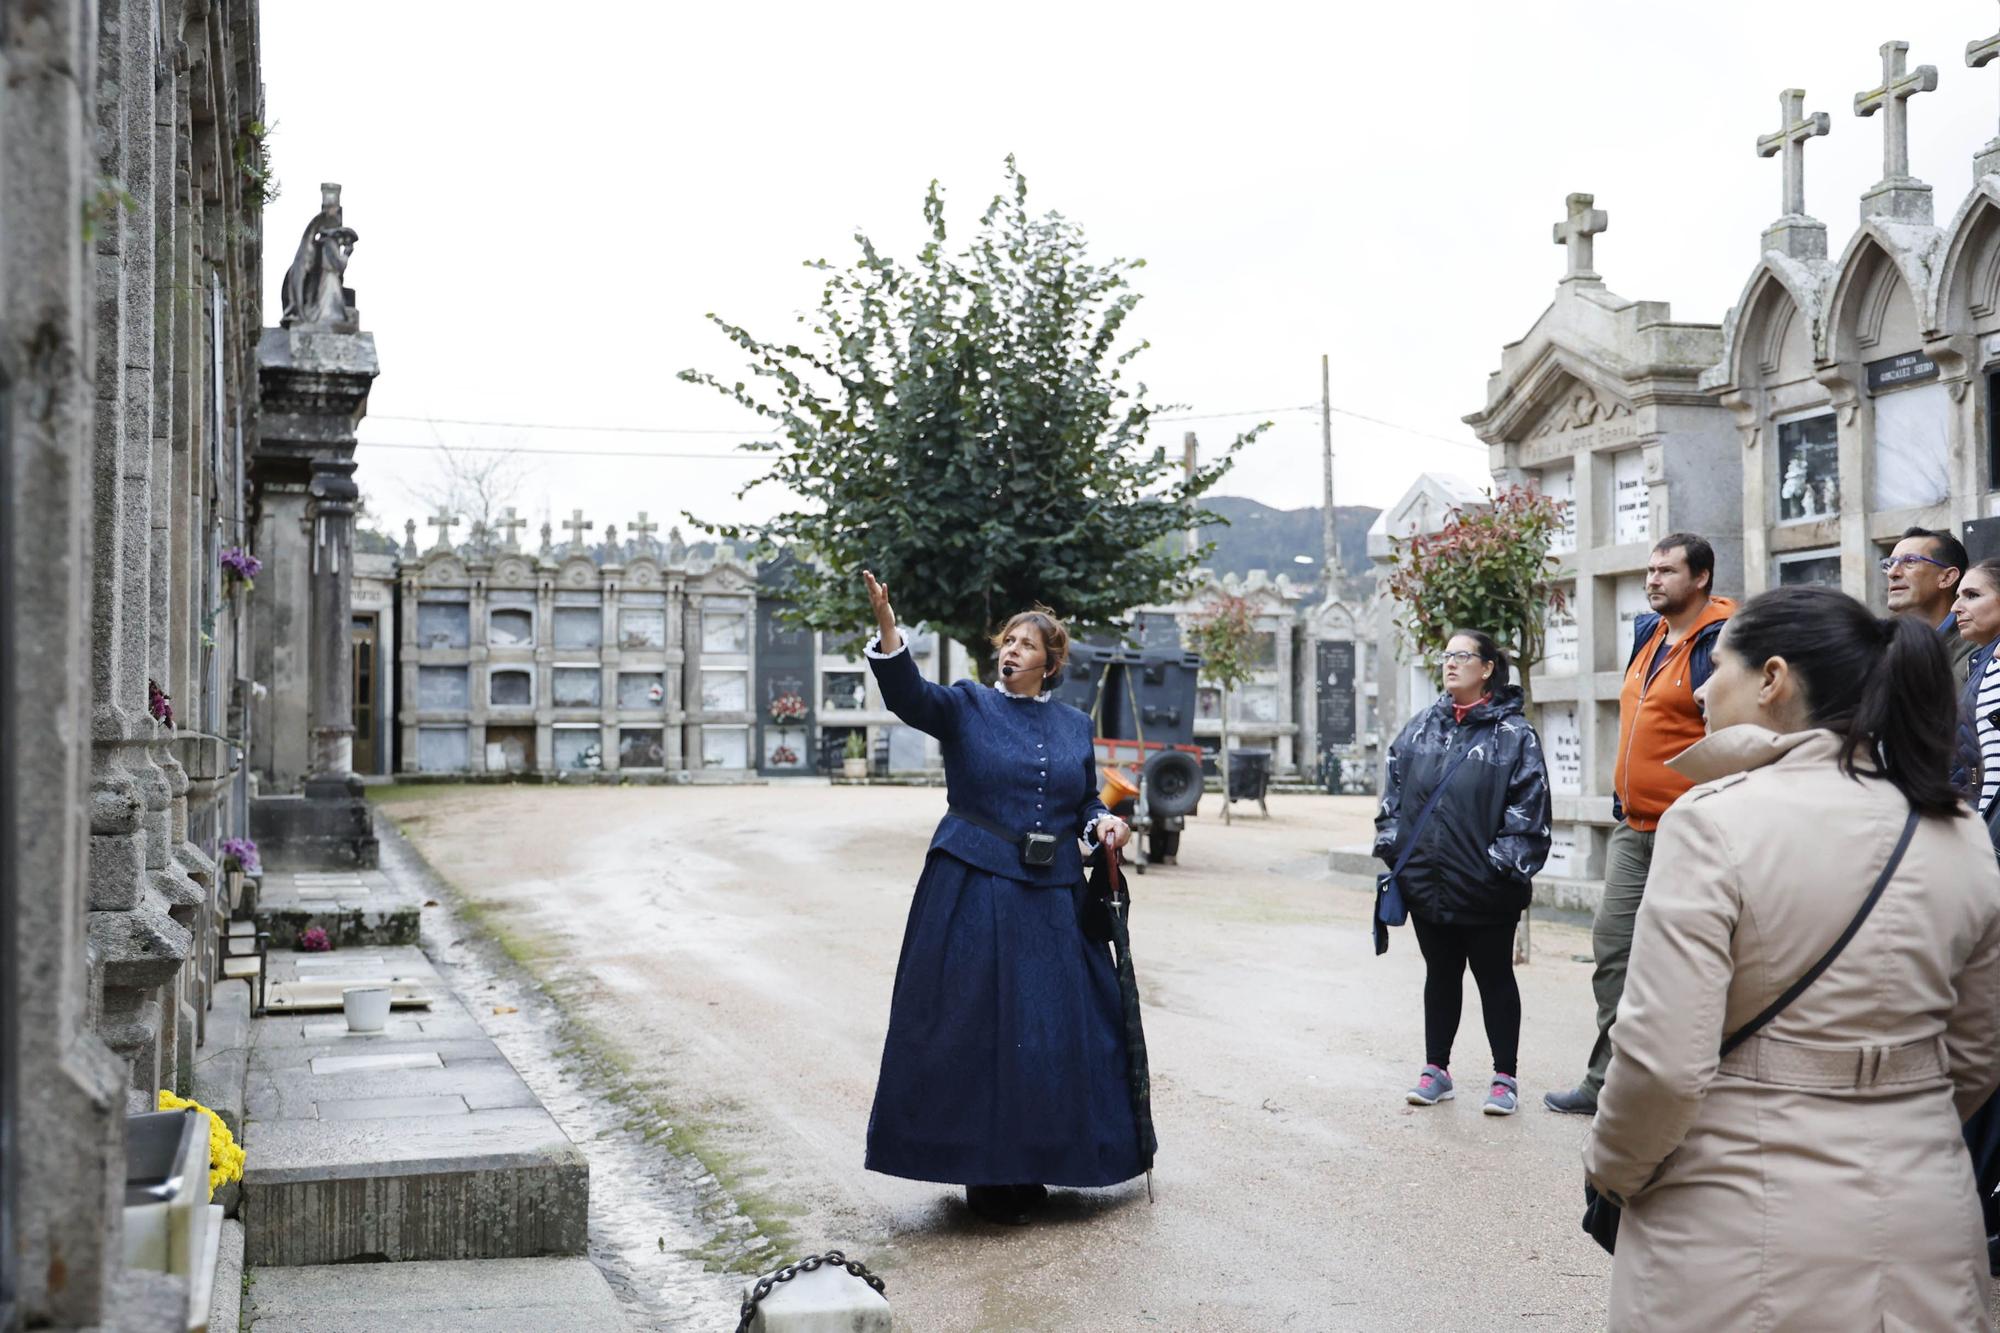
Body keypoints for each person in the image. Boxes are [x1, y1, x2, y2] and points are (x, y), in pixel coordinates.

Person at [1581, 586, 2000, 1330]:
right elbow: (1975, 1050)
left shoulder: (1713, 822)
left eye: (1721, 666)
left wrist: (1613, 1170)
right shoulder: (1958, 829)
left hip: (1740, 1216)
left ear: (1773, 678)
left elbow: (1661, 1065)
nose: (1704, 687)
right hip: (1925, 1212)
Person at [857, 570, 1146, 1225]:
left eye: (1026, 644)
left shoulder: (1075, 726)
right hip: (972, 886)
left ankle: (1035, 1161)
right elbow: (909, 696)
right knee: (976, 1028)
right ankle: (984, 1174)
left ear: (1050, 663)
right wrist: (887, 630)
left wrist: (1101, 823)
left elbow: (1079, 801)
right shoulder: (965, 704)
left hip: (1050, 896)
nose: (1010, 650)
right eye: (1007, 640)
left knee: (1052, 1029)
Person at [1546, 534, 1734, 1116]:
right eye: (1650, 570)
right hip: (1634, 827)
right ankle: (1607, 1083)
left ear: (1700, 577)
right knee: (1613, 952)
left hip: (1693, 830)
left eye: (1667, 571)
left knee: (1688, 963)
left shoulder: (1725, 638)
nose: (1653, 580)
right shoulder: (1646, 633)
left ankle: (1694, 1093)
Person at [1373, 630, 1551, 1115]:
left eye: (1462, 656)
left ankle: (1504, 1078)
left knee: (1494, 977)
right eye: (1447, 655)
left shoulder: (1514, 736)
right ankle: (1436, 1069)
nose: (1451, 663)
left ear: (1488, 667)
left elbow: (1529, 814)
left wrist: (1496, 869)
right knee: (1441, 975)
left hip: (1487, 889)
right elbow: (1391, 797)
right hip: (1427, 884)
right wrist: (1397, 856)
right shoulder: (1419, 729)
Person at [1885, 525, 1977, 687]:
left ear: (1947, 577)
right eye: (1890, 563)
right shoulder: (1883, 648)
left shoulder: (1981, 650)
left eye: (1910, 561)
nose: (1892, 573)